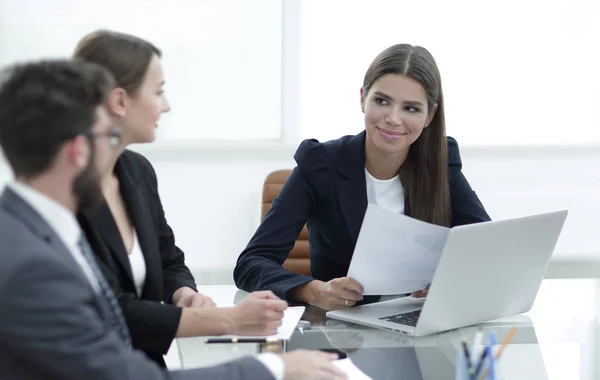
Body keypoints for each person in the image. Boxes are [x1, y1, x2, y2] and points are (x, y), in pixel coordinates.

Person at [0, 59, 346, 380]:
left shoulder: (37, 230)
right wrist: (274, 368)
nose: (118, 150)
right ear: (78, 150)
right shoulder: (33, 267)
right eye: (110, 136)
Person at [72, 30, 286, 366]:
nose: (166, 105)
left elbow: (167, 258)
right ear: (119, 101)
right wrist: (229, 319)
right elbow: (112, 310)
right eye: (158, 92)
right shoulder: (65, 190)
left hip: (141, 366)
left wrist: (182, 292)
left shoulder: (136, 171)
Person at [234, 44, 491, 310]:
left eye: (411, 108)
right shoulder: (320, 165)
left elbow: (487, 247)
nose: (393, 119)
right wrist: (313, 290)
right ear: (362, 99)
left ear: (430, 116)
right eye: (382, 101)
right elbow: (251, 263)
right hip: (340, 333)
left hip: (420, 323)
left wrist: (448, 281)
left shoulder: (440, 163)